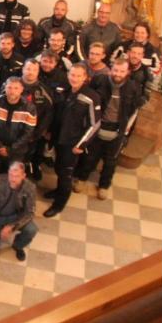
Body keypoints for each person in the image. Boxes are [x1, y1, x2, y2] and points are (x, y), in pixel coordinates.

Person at [73, 58, 142, 200]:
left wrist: (126, 133)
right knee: (89, 157)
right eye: (116, 70)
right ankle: (82, 179)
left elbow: (134, 111)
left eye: (122, 71)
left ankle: (104, 186)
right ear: (111, 69)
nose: (118, 74)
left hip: (117, 129)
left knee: (111, 161)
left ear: (127, 72)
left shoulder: (133, 88)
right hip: (98, 125)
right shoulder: (99, 81)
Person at [43, 63, 101, 217]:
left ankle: (59, 204)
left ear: (85, 78)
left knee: (65, 175)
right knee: (58, 168)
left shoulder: (91, 97)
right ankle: (58, 191)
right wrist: (49, 132)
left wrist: (81, 145)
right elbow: (55, 114)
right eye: (72, 75)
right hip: (58, 138)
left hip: (73, 143)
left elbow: (95, 124)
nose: (74, 78)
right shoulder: (63, 90)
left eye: (78, 76)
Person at [0, 161, 37, 261]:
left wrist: (12, 226)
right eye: (11, 175)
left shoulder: (30, 188)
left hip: (16, 217)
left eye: (17, 176)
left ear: (24, 176)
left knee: (32, 229)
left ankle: (18, 245)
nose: (13, 179)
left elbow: (30, 212)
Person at [0, 77, 37, 176]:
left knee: (14, 177)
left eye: (16, 88)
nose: (12, 91)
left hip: (17, 151)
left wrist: (10, 149)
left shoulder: (30, 108)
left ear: (22, 89)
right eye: (9, 87)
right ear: (5, 88)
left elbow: (28, 133)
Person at [20, 59, 55, 181]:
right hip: (13, 131)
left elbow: (48, 113)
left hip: (33, 133)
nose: (30, 72)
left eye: (34, 70)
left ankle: (31, 168)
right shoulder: (12, 84)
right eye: (28, 68)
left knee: (31, 154)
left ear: (38, 72)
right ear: (23, 69)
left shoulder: (44, 90)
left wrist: (38, 133)